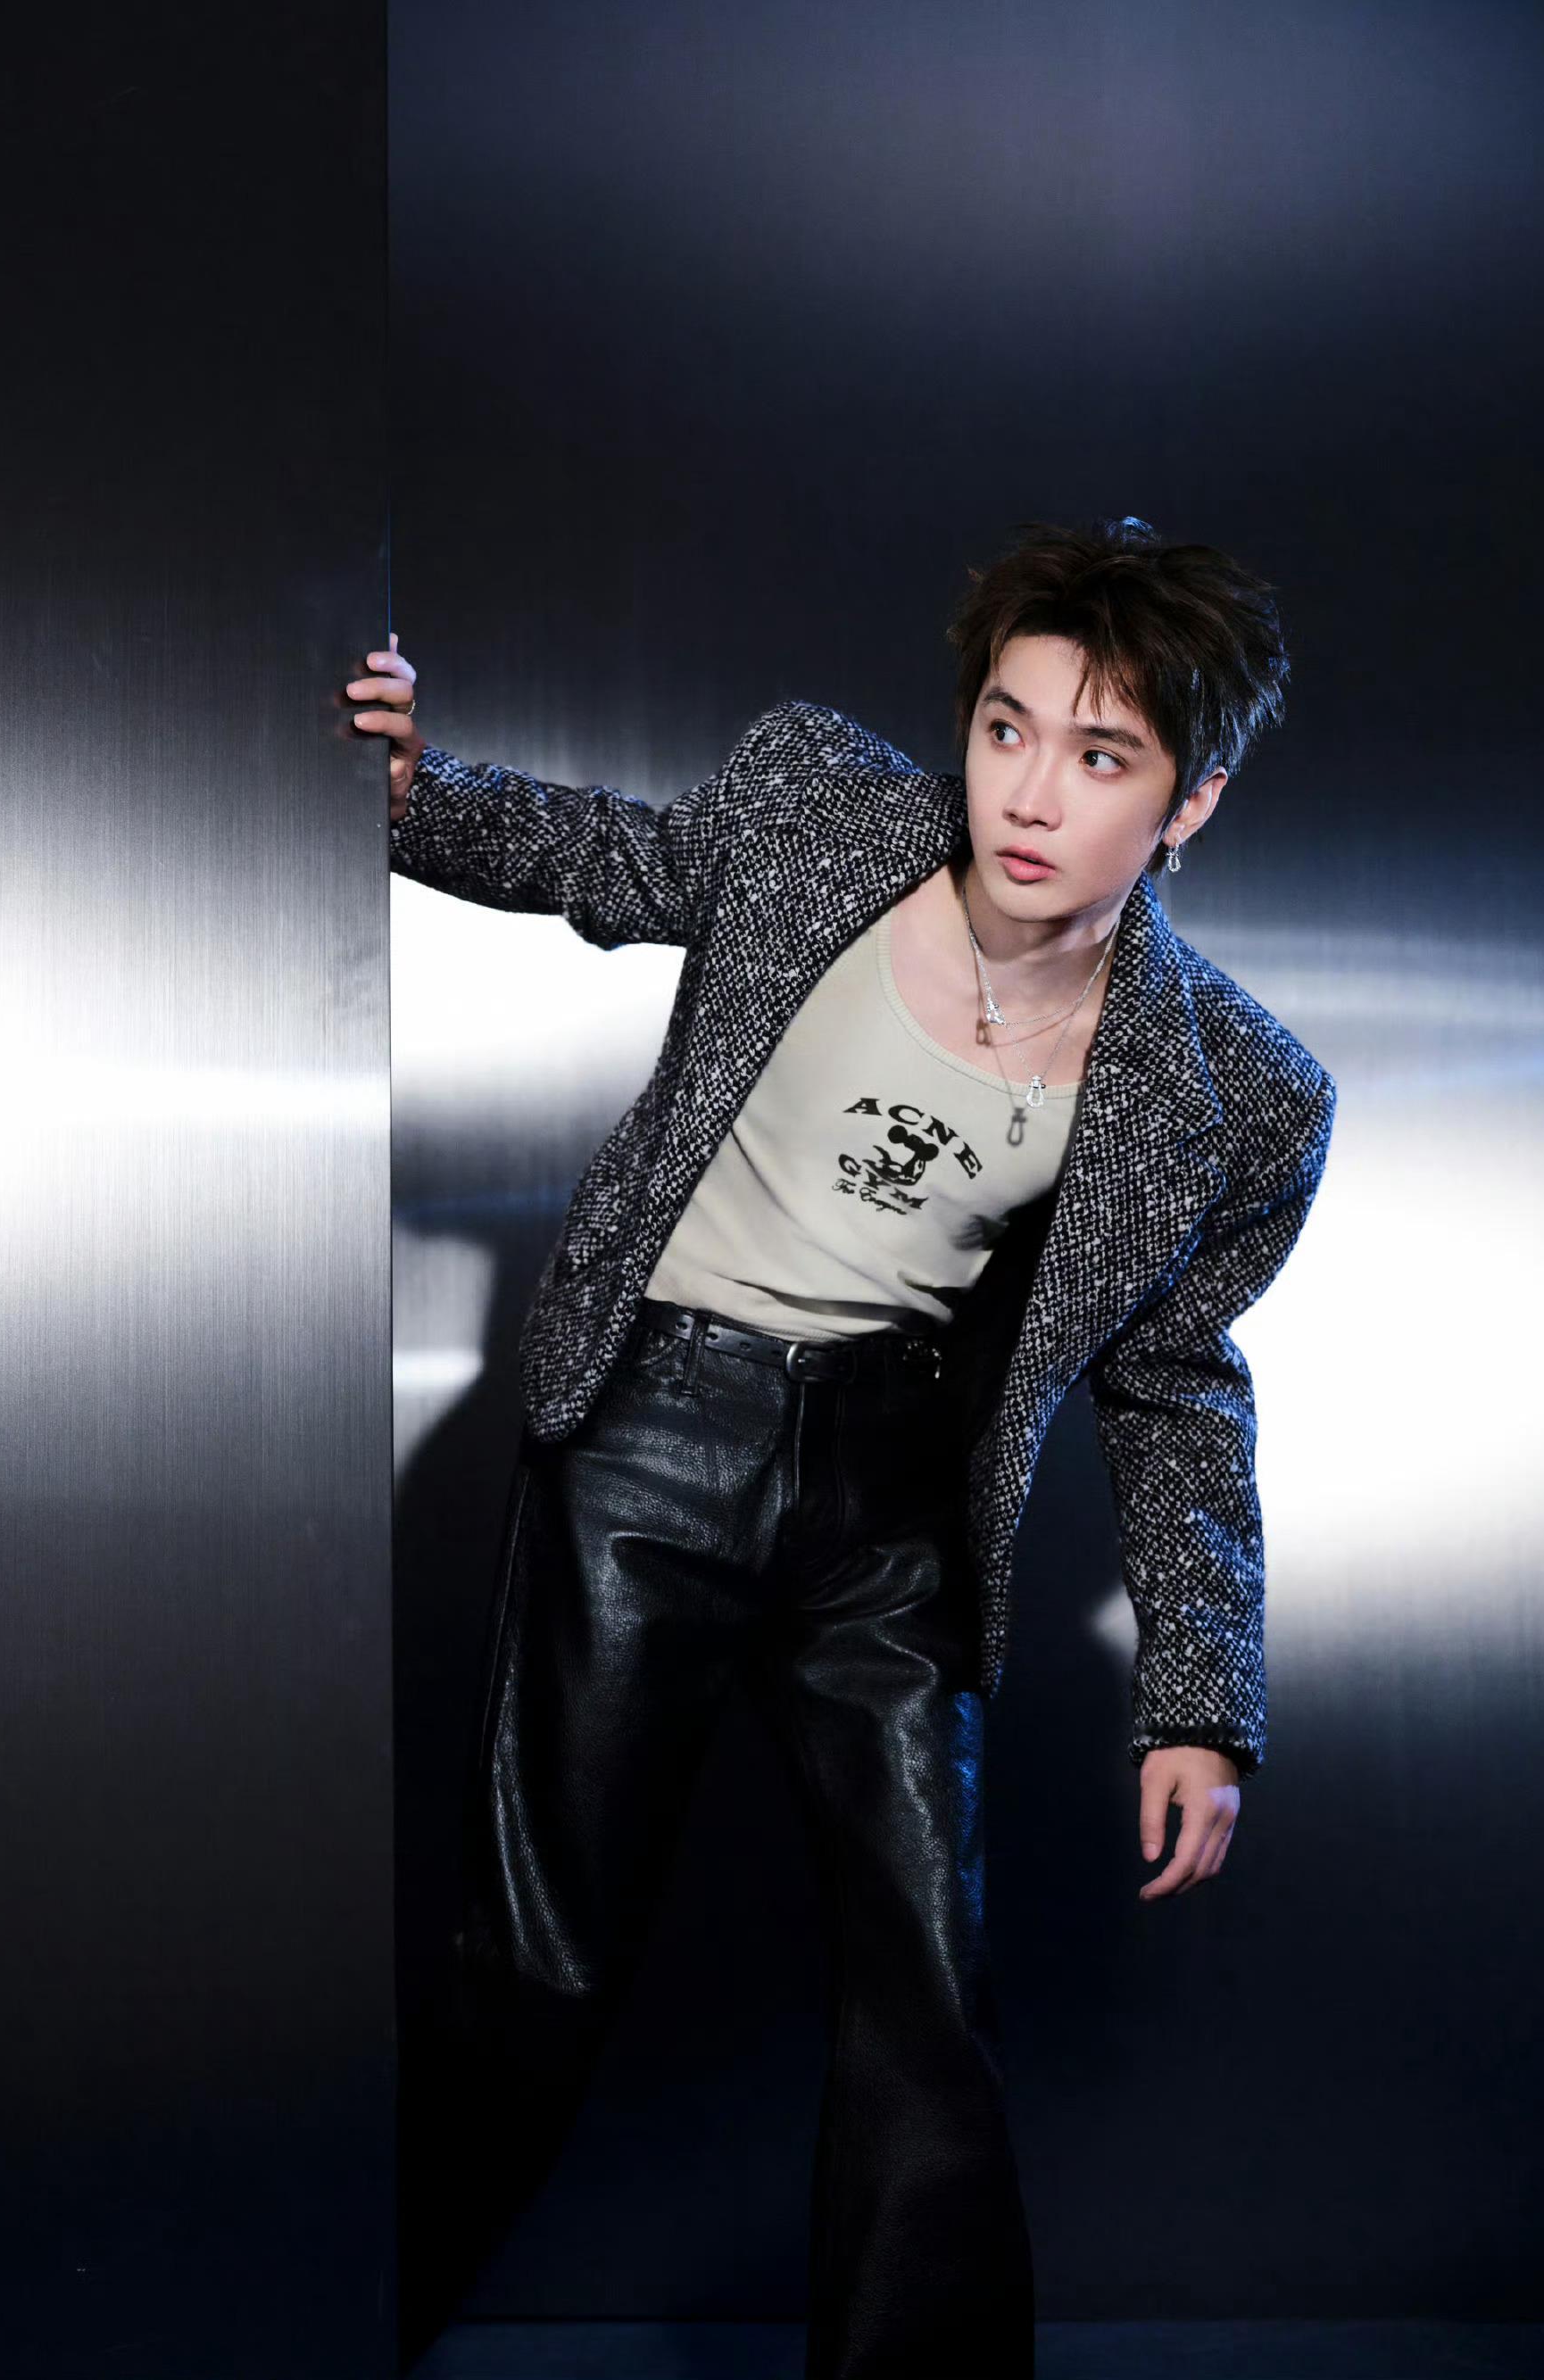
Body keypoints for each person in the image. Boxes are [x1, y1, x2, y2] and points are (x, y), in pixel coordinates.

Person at [352, 515, 1337, 2380]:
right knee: (542, 1967)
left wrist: (1200, 1699)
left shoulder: (1235, 1089)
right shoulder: (820, 802)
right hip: (650, 1442)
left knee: (927, 2006)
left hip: (891, 1513)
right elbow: (614, 858)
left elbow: (1171, 1383)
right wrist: (417, 791)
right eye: (1006, 727)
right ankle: (322, 2319)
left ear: (1189, 802)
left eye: (1101, 755)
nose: (1028, 793)